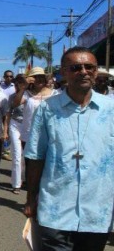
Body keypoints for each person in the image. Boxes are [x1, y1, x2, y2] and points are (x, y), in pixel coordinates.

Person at [24, 47, 114, 250]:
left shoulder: (110, 110)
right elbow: (36, 157)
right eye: (75, 67)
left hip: (97, 212)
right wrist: (31, 198)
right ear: (63, 72)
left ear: (96, 71)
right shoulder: (47, 109)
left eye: (89, 67)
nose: (83, 71)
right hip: (55, 210)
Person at [11, 67, 57, 147]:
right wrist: (23, 88)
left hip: (49, 135)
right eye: (35, 77)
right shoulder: (26, 94)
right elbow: (15, 104)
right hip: (29, 136)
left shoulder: (55, 94)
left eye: (41, 77)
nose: (39, 79)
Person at [4, 74, 26, 194]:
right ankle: (16, 184)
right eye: (17, 83)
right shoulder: (12, 97)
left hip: (28, 126)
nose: (18, 85)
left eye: (21, 83)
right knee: (17, 155)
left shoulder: (30, 96)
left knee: (26, 156)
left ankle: (25, 178)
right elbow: (8, 114)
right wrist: (6, 131)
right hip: (15, 124)